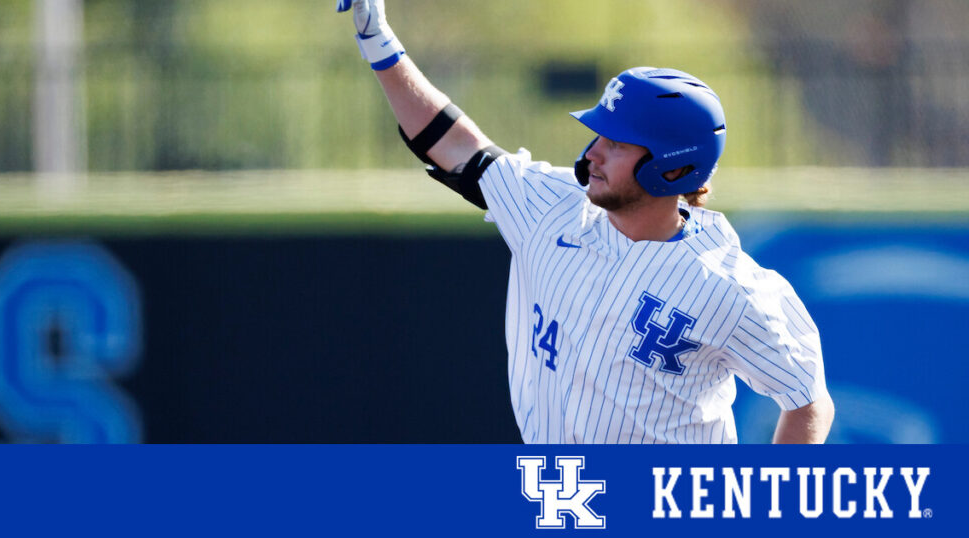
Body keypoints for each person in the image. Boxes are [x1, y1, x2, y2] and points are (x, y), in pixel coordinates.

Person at [335, 0, 834, 443]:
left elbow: (808, 400)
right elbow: (452, 143)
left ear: (673, 167)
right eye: (598, 135)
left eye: (615, 142)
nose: (592, 152)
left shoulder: (731, 287)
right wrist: (380, 44)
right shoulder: (551, 208)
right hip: (563, 494)